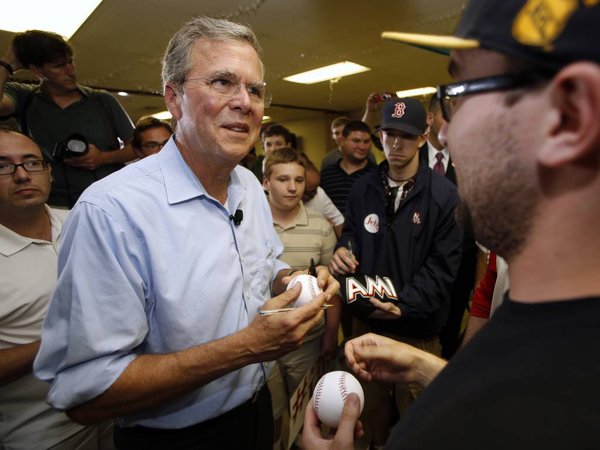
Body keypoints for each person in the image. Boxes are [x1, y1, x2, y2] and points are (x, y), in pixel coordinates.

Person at [303, 0, 600, 448]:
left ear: (569, 116)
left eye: (463, 93)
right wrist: (429, 369)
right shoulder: (536, 325)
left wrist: (385, 306)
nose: (449, 135)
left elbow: (434, 285)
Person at [33, 17, 338, 450]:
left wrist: (291, 281)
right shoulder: (113, 212)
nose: (245, 102)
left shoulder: (250, 186)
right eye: (222, 82)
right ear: (173, 99)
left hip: (256, 413)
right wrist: (247, 347)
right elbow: (84, 394)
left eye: (255, 90)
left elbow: (265, 262)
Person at [329, 98, 462, 449]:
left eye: (406, 136)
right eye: (389, 134)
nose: (396, 144)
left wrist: (402, 304)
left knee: (419, 417)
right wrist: (343, 251)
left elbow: (443, 267)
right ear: (380, 135)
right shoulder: (363, 188)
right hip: (368, 324)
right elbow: (353, 236)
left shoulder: (445, 196)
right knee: (369, 411)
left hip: (417, 330)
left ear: (423, 137)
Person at [0, 128, 113, 449]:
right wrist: (61, 341)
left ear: (49, 172)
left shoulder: (87, 221)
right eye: (2, 166)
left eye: (31, 163)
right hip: (43, 432)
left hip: (121, 407)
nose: (21, 175)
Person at [0, 30, 135, 208]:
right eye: (58, 66)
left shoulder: (101, 100)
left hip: (107, 200)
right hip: (54, 205)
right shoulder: (24, 97)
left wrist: (103, 157)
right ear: (37, 70)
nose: (70, 71)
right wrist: (8, 62)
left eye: (70, 62)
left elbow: (137, 148)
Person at [263, 147, 340, 449]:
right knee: (269, 414)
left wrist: (331, 333)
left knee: (307, 412)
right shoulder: (249, 226)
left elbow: (333, 287)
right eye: (283, 179)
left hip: (307, 339)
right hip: (263, 340)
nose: (293, 187)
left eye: (298, 179)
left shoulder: (321, 226)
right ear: (266, 181)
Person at [422, 95, 478, 358]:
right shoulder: (411, 155)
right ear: (430, 119)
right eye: (448, 115)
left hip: (460, 264)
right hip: (419, 264)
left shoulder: (470, 157)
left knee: (452, 323)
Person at [320, 120, 376, 216]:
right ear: (342, 141)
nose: (362, 147)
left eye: (366, 141)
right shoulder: (326, 174)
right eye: (356, 141)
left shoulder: (378, 174)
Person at [301, 154, 344, 238]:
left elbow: (338, 221)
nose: (315, 194)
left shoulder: (319, 193)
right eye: (310, 192)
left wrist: (344, 245)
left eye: (316, 189)